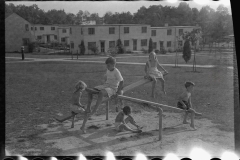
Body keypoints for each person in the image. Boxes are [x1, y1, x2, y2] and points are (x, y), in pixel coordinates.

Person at [80, 56, 124, 133]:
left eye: (109, 65)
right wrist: (104, 81)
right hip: (106, 85)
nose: (107, 67)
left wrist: (118, 92)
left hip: (113, 88)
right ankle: (89, 107)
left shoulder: (116, 71)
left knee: (100, 93)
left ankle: (94, 110)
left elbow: (122, 81)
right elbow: (106, 77)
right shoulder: (108, 70)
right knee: (91, 90)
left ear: (113, 64)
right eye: (107, 65)